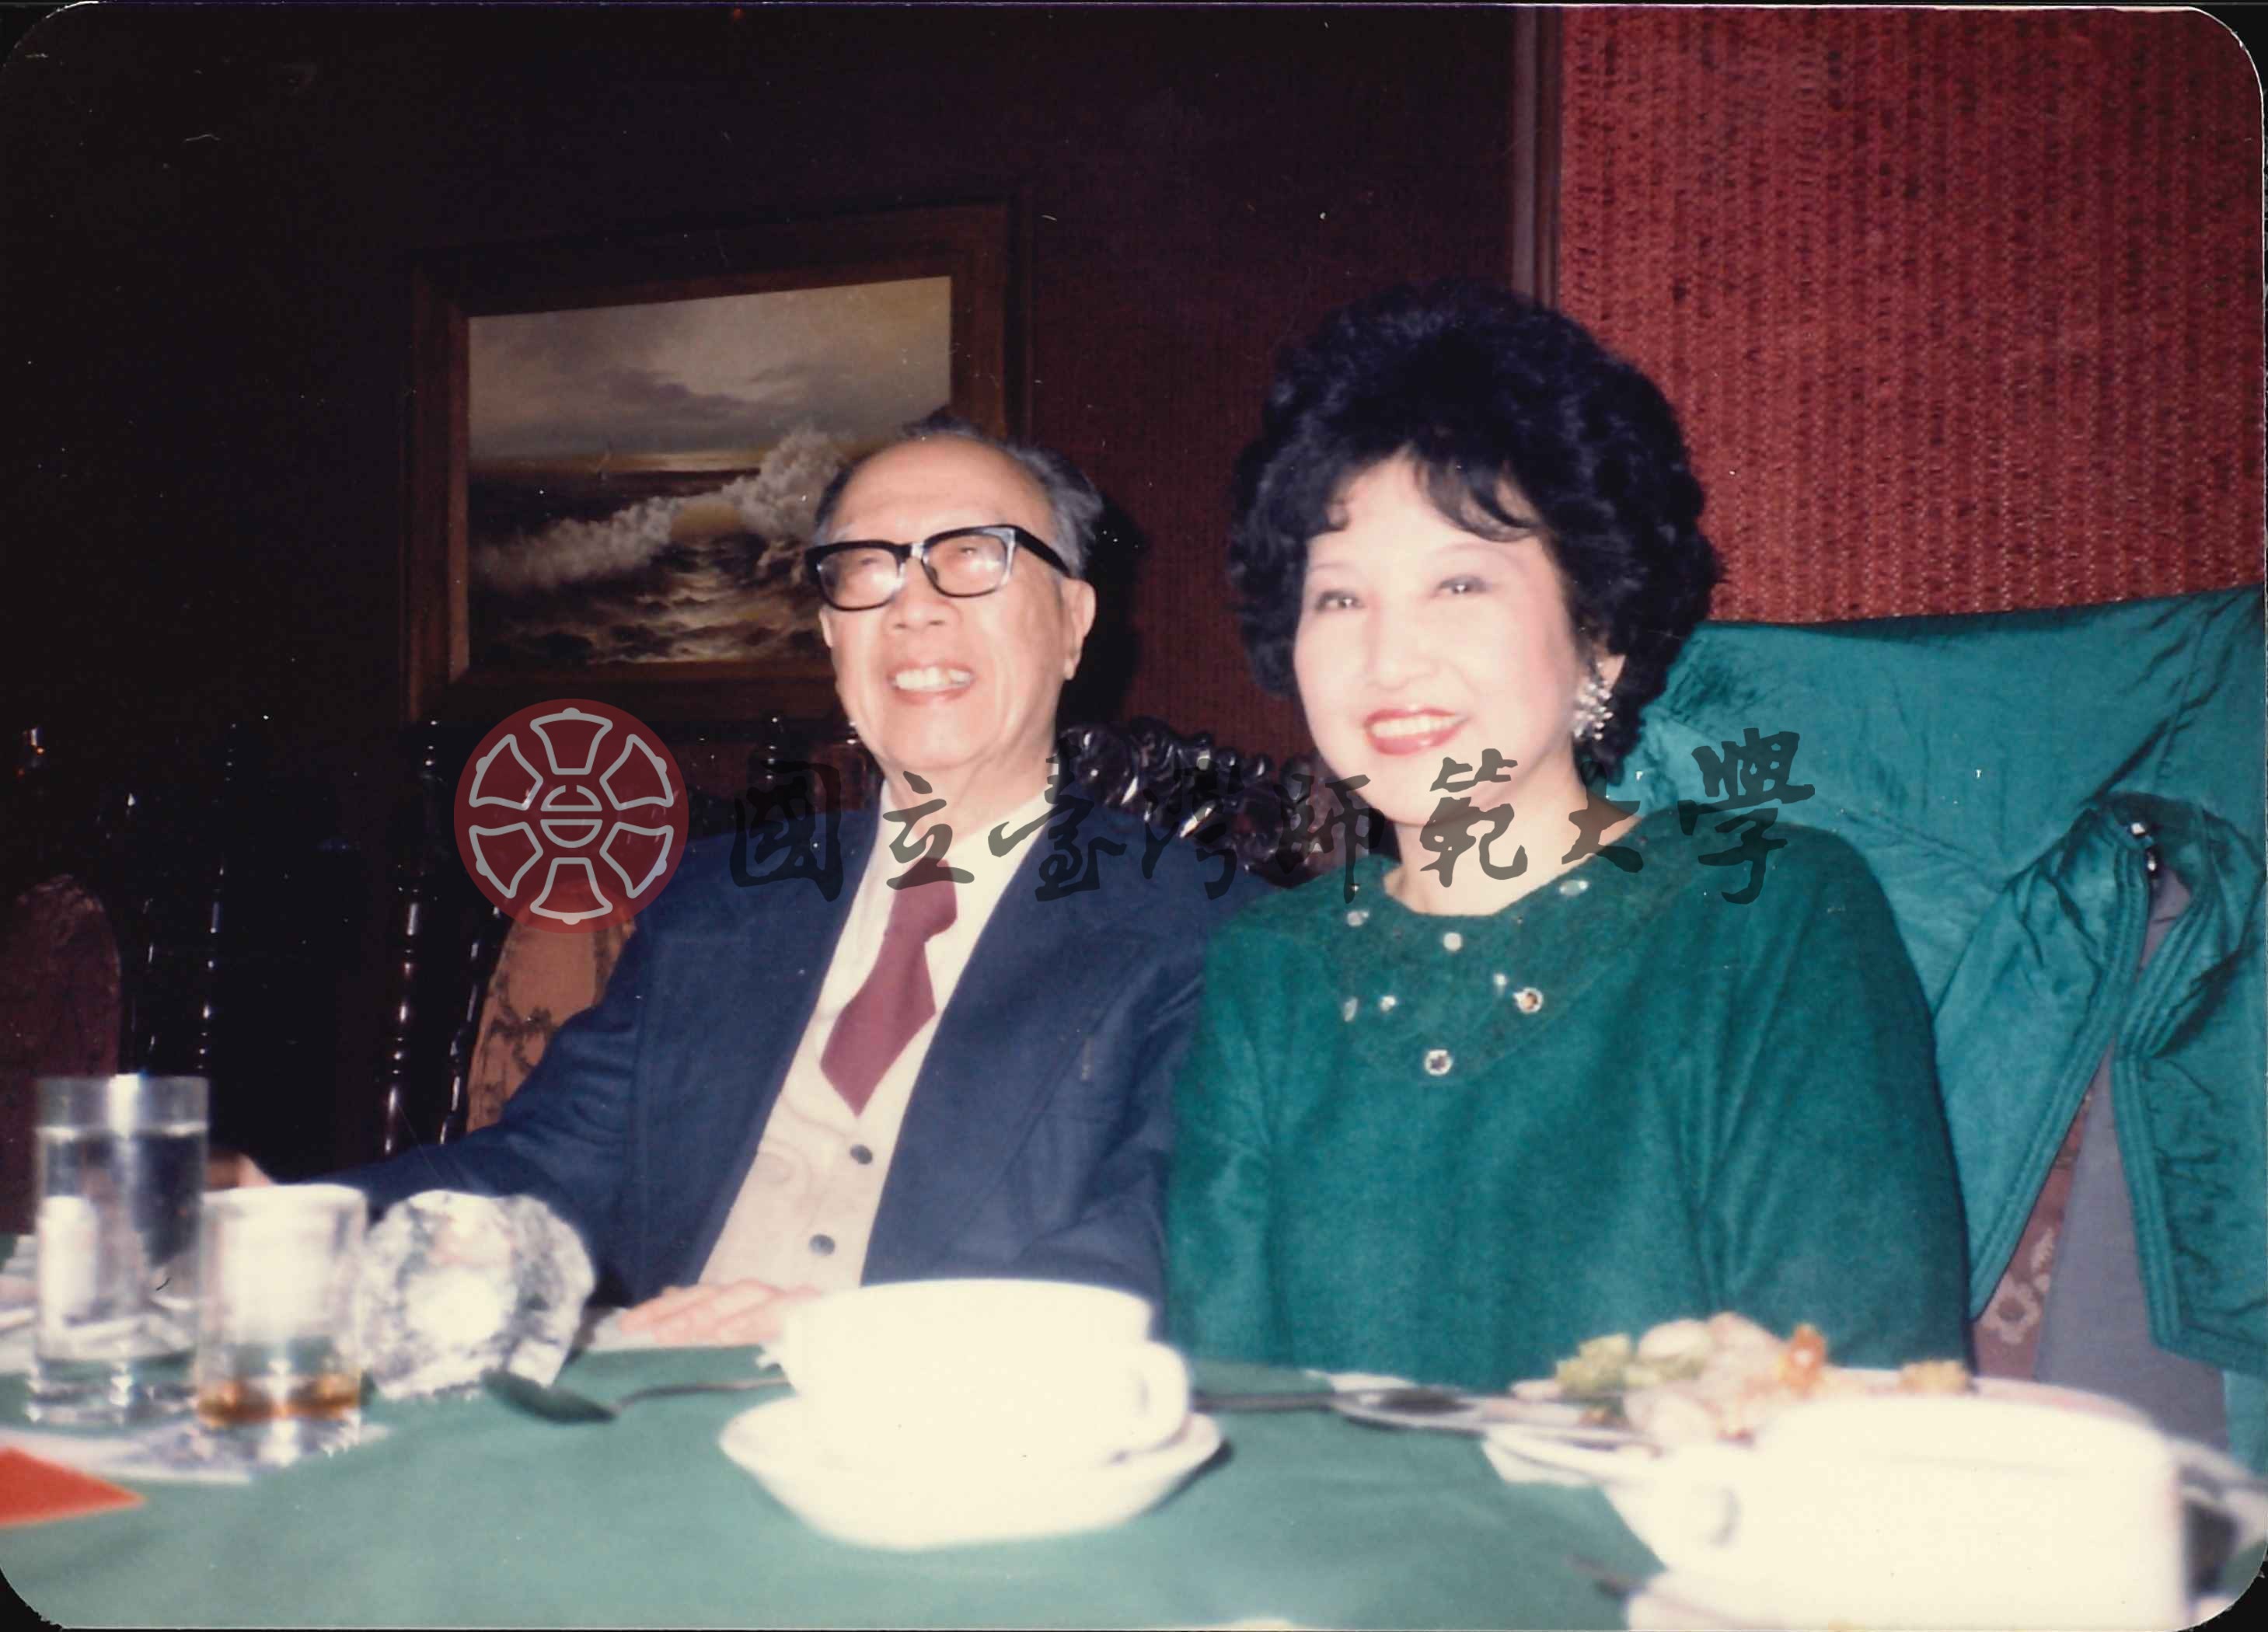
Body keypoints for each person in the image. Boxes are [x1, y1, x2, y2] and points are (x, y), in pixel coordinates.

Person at [1165, 281, 1970, 1391]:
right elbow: (1229, 1412)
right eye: (1338, 599)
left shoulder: (1770, 916)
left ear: (1597, 632)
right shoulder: (1269, 972)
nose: (1387, 659)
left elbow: (1848, 1399)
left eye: (1458, 583)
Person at [339, 413, 1261, 1344]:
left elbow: (1154, 1242)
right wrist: (306, 1225)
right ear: (829, 635)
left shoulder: (1210, 933)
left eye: (974, 556)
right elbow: (543, 1167)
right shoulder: (714, 902)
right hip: (663, 1393)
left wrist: (852, 1340)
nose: (913, 607)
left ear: (1071, 624)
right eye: (867, 569)